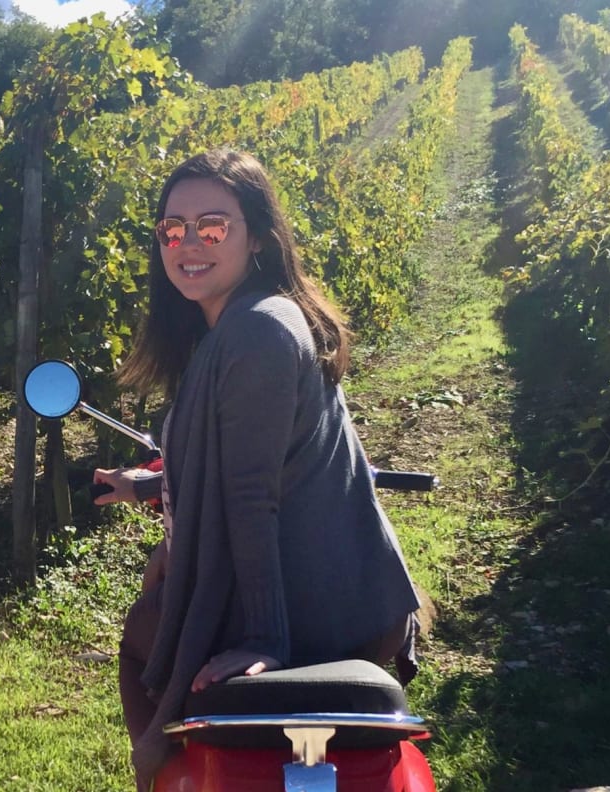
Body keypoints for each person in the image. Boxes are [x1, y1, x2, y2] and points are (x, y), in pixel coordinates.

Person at [92, 150, 421, 788]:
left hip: (317, 608)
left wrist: (267, 641)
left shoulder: (258, 333)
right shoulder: (248, 322)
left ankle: (160, 774)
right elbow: (252, 460)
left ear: (258, 238)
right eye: (173, 228)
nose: (189, 243)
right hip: (336, 585)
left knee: (141, 645)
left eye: (213, 226)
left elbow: (250, 497)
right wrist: (157, 485)